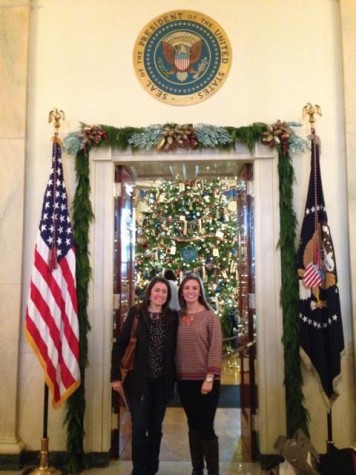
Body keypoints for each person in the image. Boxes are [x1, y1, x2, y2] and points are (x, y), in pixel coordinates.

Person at [111, 276, 178, 475]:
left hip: (162, 383)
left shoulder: (173, 317)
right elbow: (120, 345)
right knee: (139, 428)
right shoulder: (137, 313)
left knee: (156, 429)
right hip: (139, 382)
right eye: (156, 290)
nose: (160, 294)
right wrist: (115, 376)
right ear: (149, 292)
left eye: (164, 292)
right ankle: (138, 470)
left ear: (168, 295)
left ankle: (151, 469)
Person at [176, 274, 223, 475]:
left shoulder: (210, 317)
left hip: (206, 381)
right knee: (192, 424)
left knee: (206, 426)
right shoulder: (177, 316)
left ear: (200, 291)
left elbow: (215, 347)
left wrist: (210, 377)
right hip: (184, 380)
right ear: (181, 292)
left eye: (195, 288)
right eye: (187, 288)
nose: (191, 291)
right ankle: (197, 469)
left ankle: (213, 471)